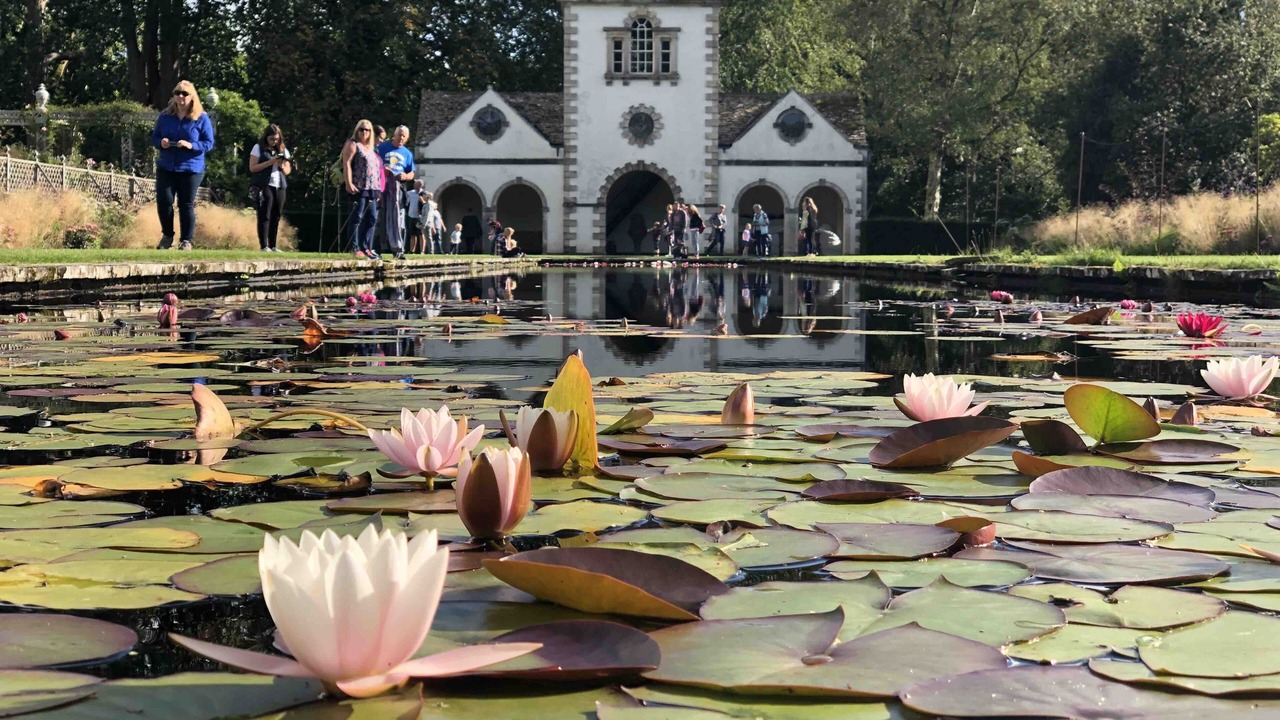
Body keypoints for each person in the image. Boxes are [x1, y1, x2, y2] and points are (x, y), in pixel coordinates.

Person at [150, 80, 215, 251]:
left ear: (192, 96)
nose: (180, 96)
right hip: (167, 166)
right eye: (177, 93)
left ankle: (186, 240)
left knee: (185, 203)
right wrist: (161, 142)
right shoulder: (165, 117)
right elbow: (154, 137)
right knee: (164, 201)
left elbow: (208, 143)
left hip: (190, 168)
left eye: (185, 93)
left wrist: (191, 145)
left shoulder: (201, 118)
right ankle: (167, 235)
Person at [340, 119, 382, 260]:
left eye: (368, 130)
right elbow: (346, 163)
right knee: (356, 218)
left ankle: (366, 247)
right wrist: (348, 182)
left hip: (372, 188)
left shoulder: (371, 149)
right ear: (357, 131)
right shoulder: (352, 144)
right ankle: (355, 248)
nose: (364, 132)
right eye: (362, 129)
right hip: (359, 187)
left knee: (372, 218)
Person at [248, 124, 290, 252]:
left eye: (277, 139)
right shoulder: (258, 148)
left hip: (279, 184)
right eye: (272, 139)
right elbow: (253, 168)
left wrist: (281, 164)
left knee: (276, 215)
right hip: (264, 184)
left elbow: (288, 170)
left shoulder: (282, 149)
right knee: (265, 213)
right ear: (266, 137)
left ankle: (273, 245)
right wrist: (270, 162)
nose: (274, 142)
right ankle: (264, 245)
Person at [376, 126, 415, 260]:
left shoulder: (407, 153)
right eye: (399, 135)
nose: (401, 138)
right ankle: (378, 248)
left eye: (404, 136)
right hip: (381, 187)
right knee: (380, 218)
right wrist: (383, 170)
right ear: (394, 135)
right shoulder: (382, 148)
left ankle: (398, 249)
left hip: (398, 189)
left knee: (398, 220)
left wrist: (405, 176)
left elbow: (412, 173)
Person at [405, 180, 424, 254]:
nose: (414, 185)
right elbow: (406, 202)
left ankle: (422, 251)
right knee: (412, 234)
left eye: (416, 184)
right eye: (414, 184)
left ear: (420, 185)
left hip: (420, 217)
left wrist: (423, 201)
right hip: (411, 215)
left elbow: (426, 205)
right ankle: (411, 250)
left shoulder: (424, 193)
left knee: (421, 234)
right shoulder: (410, 193)